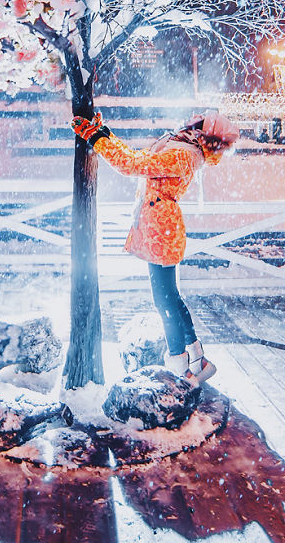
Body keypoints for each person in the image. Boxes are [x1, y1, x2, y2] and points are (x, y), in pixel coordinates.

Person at [71, 109, 239, 386]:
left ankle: (179, 365)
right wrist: (105, 134)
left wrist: (96, 138)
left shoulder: (183, 154)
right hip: (160, 224)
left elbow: (131, 166)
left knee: (165, 301)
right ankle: (198, 360)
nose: (188, 120)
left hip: (161, 228)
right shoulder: (181, 147)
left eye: (196, 121)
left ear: (201, 132)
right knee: (170, 297)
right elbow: (138, 158)